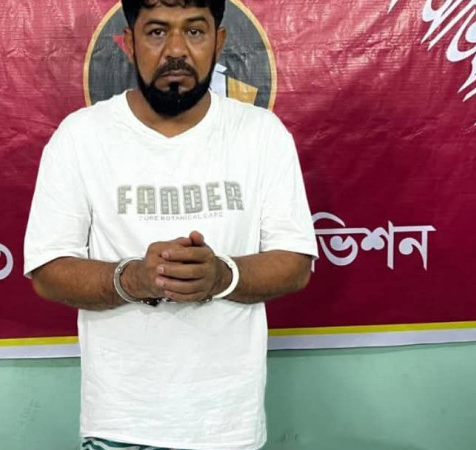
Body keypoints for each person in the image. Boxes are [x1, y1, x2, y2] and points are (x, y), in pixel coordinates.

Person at [23, 0, 318, 448]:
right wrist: (133, 279)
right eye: (157, 32)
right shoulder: (80, 137)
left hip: (228, 428)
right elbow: (48, 271)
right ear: (129, 43)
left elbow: (295, 264)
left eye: (195, 32)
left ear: (218, 42)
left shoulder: (262, 134)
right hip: (119, 426)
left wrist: (221, 275)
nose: (176, 50)